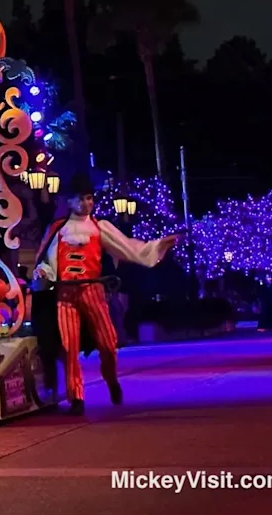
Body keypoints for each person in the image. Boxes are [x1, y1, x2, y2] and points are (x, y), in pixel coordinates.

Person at [31, 172, 180, 415]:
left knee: (108, 343)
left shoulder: (100, 228)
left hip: (93, 292)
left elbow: (130, 248)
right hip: (65, 295)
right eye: (82, 199)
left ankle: (111, 380)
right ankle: (76, 397)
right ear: (69, 201)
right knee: (69, 347)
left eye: (90, 198)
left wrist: (159, 244)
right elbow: (47, 263)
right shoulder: (58, 230)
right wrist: (43, 273)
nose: (87, 203)